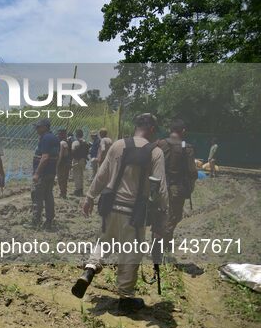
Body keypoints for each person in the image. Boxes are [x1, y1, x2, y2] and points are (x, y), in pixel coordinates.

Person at [72, 113, 168, 313]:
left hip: (110, 207)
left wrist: (89, 197)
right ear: (151, 129)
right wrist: (162, 213)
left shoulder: (117, 145)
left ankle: (89, 269)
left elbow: (102, 173)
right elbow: (160, 188)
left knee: (103, 242)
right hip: (134, 213)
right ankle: (125, 297)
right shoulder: (156, 152)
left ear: (136, 126)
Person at [157, 119, 198, 248]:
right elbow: (192, 171)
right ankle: (164, 244)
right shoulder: (187, 148)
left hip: (157, 185)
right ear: (183, 131)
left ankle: (158, 241)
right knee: (174, 216)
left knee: (158, 214)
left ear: (170, 130)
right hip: (176, 187)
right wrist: (190, 185)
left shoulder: (159, 144)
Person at [30, 119, 59, 231]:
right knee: (48, 196)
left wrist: (37, 173)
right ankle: (49, 220)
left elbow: (45, 157)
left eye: (38, 127)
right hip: (50, 172)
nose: (36, 129)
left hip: (43, 173)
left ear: (45, 127)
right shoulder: (54, 138)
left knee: (37, 196)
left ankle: (36, 221)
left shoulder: (46, 138)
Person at [71, 129, 90, 196]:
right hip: (83, 160)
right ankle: (81, 189)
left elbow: (72, 150)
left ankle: (77, 190)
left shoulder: (75, 142)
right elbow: (87, 151)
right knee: (81, 175)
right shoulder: (85, 142)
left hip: (76, 160)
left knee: (76, 175)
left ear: (76, 135)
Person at [56, 129, 72, 199]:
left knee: (61, 178)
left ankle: (62, 193)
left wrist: (57, 163)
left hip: (62, 163)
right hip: (67, 162)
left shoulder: (62, 143)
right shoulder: (67, 142)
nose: (58, 135)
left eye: (59, 134)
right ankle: (63, 192)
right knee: (64, 178)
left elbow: (61, 154)